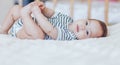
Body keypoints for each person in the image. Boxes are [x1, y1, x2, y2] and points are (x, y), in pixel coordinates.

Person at [0, 1, 107, 40]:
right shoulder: (68, 19)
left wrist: (37, 13)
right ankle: (3, 30)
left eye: (87, 32)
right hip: (27, 21)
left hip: (27, 32)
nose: (83, 27)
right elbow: (52, 14)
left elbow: (50, 30)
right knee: (15, 9)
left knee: (39, 35)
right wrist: (43, 8)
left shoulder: (70, 36)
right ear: (84, 19)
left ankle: (24, 14)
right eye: (87, 23)